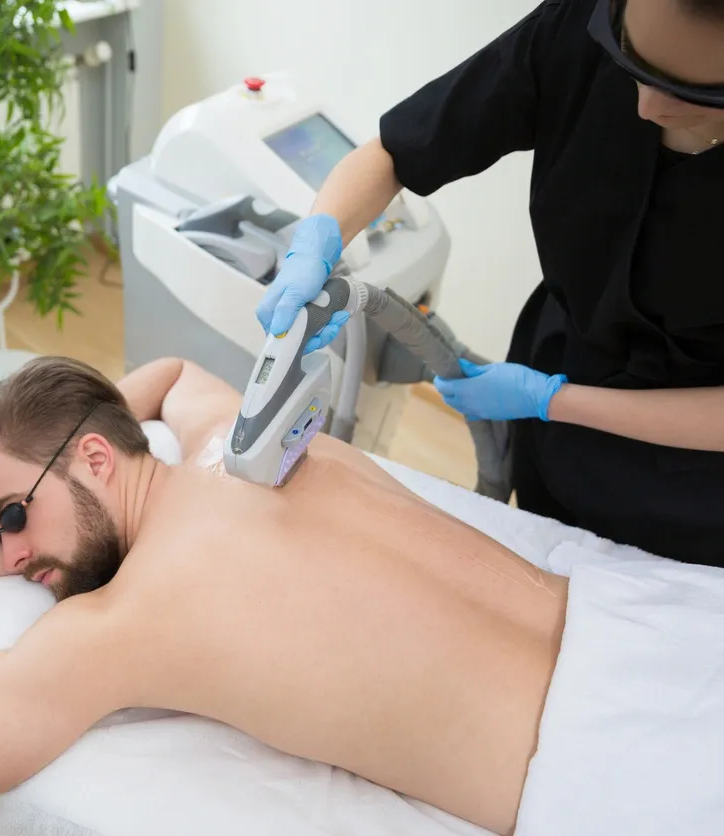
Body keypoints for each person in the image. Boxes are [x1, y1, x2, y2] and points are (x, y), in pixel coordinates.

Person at [0, 355, 568, 836]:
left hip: (585, 783)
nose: (10, 553)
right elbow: (174, 374)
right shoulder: (232, 440)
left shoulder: (123, 624)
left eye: (13, 515)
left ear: (94, 457)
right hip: (611, 640)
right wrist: (77, 440)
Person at [255, 0, 724, 566]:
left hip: (696, 486)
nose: (646, 106)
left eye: (688, 94)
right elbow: (395, 152)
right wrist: (317, 239)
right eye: (628, 60)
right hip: (556, 393)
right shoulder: (577, 26)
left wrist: (555, 401)